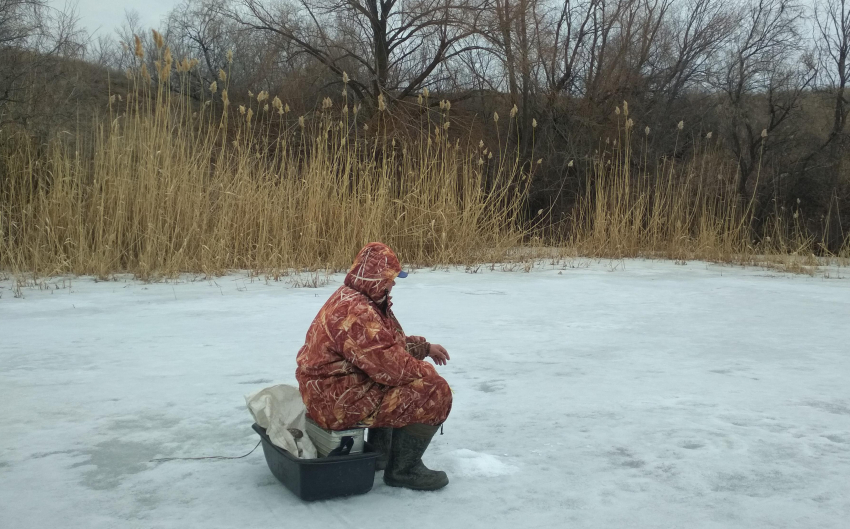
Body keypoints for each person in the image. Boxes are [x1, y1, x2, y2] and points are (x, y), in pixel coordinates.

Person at [295, 242, 453, 491]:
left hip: (332, 392)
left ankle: (380, 454)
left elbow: (384, 348)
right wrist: (428, 374)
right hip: (335, 402)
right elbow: (392, 368)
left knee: (397, 382)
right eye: (390, 278)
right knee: (434, 390)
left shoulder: (358, 298)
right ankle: (404, 470)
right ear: (375, 277)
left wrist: (424, 347)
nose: (394, 284)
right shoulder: (356, 312)